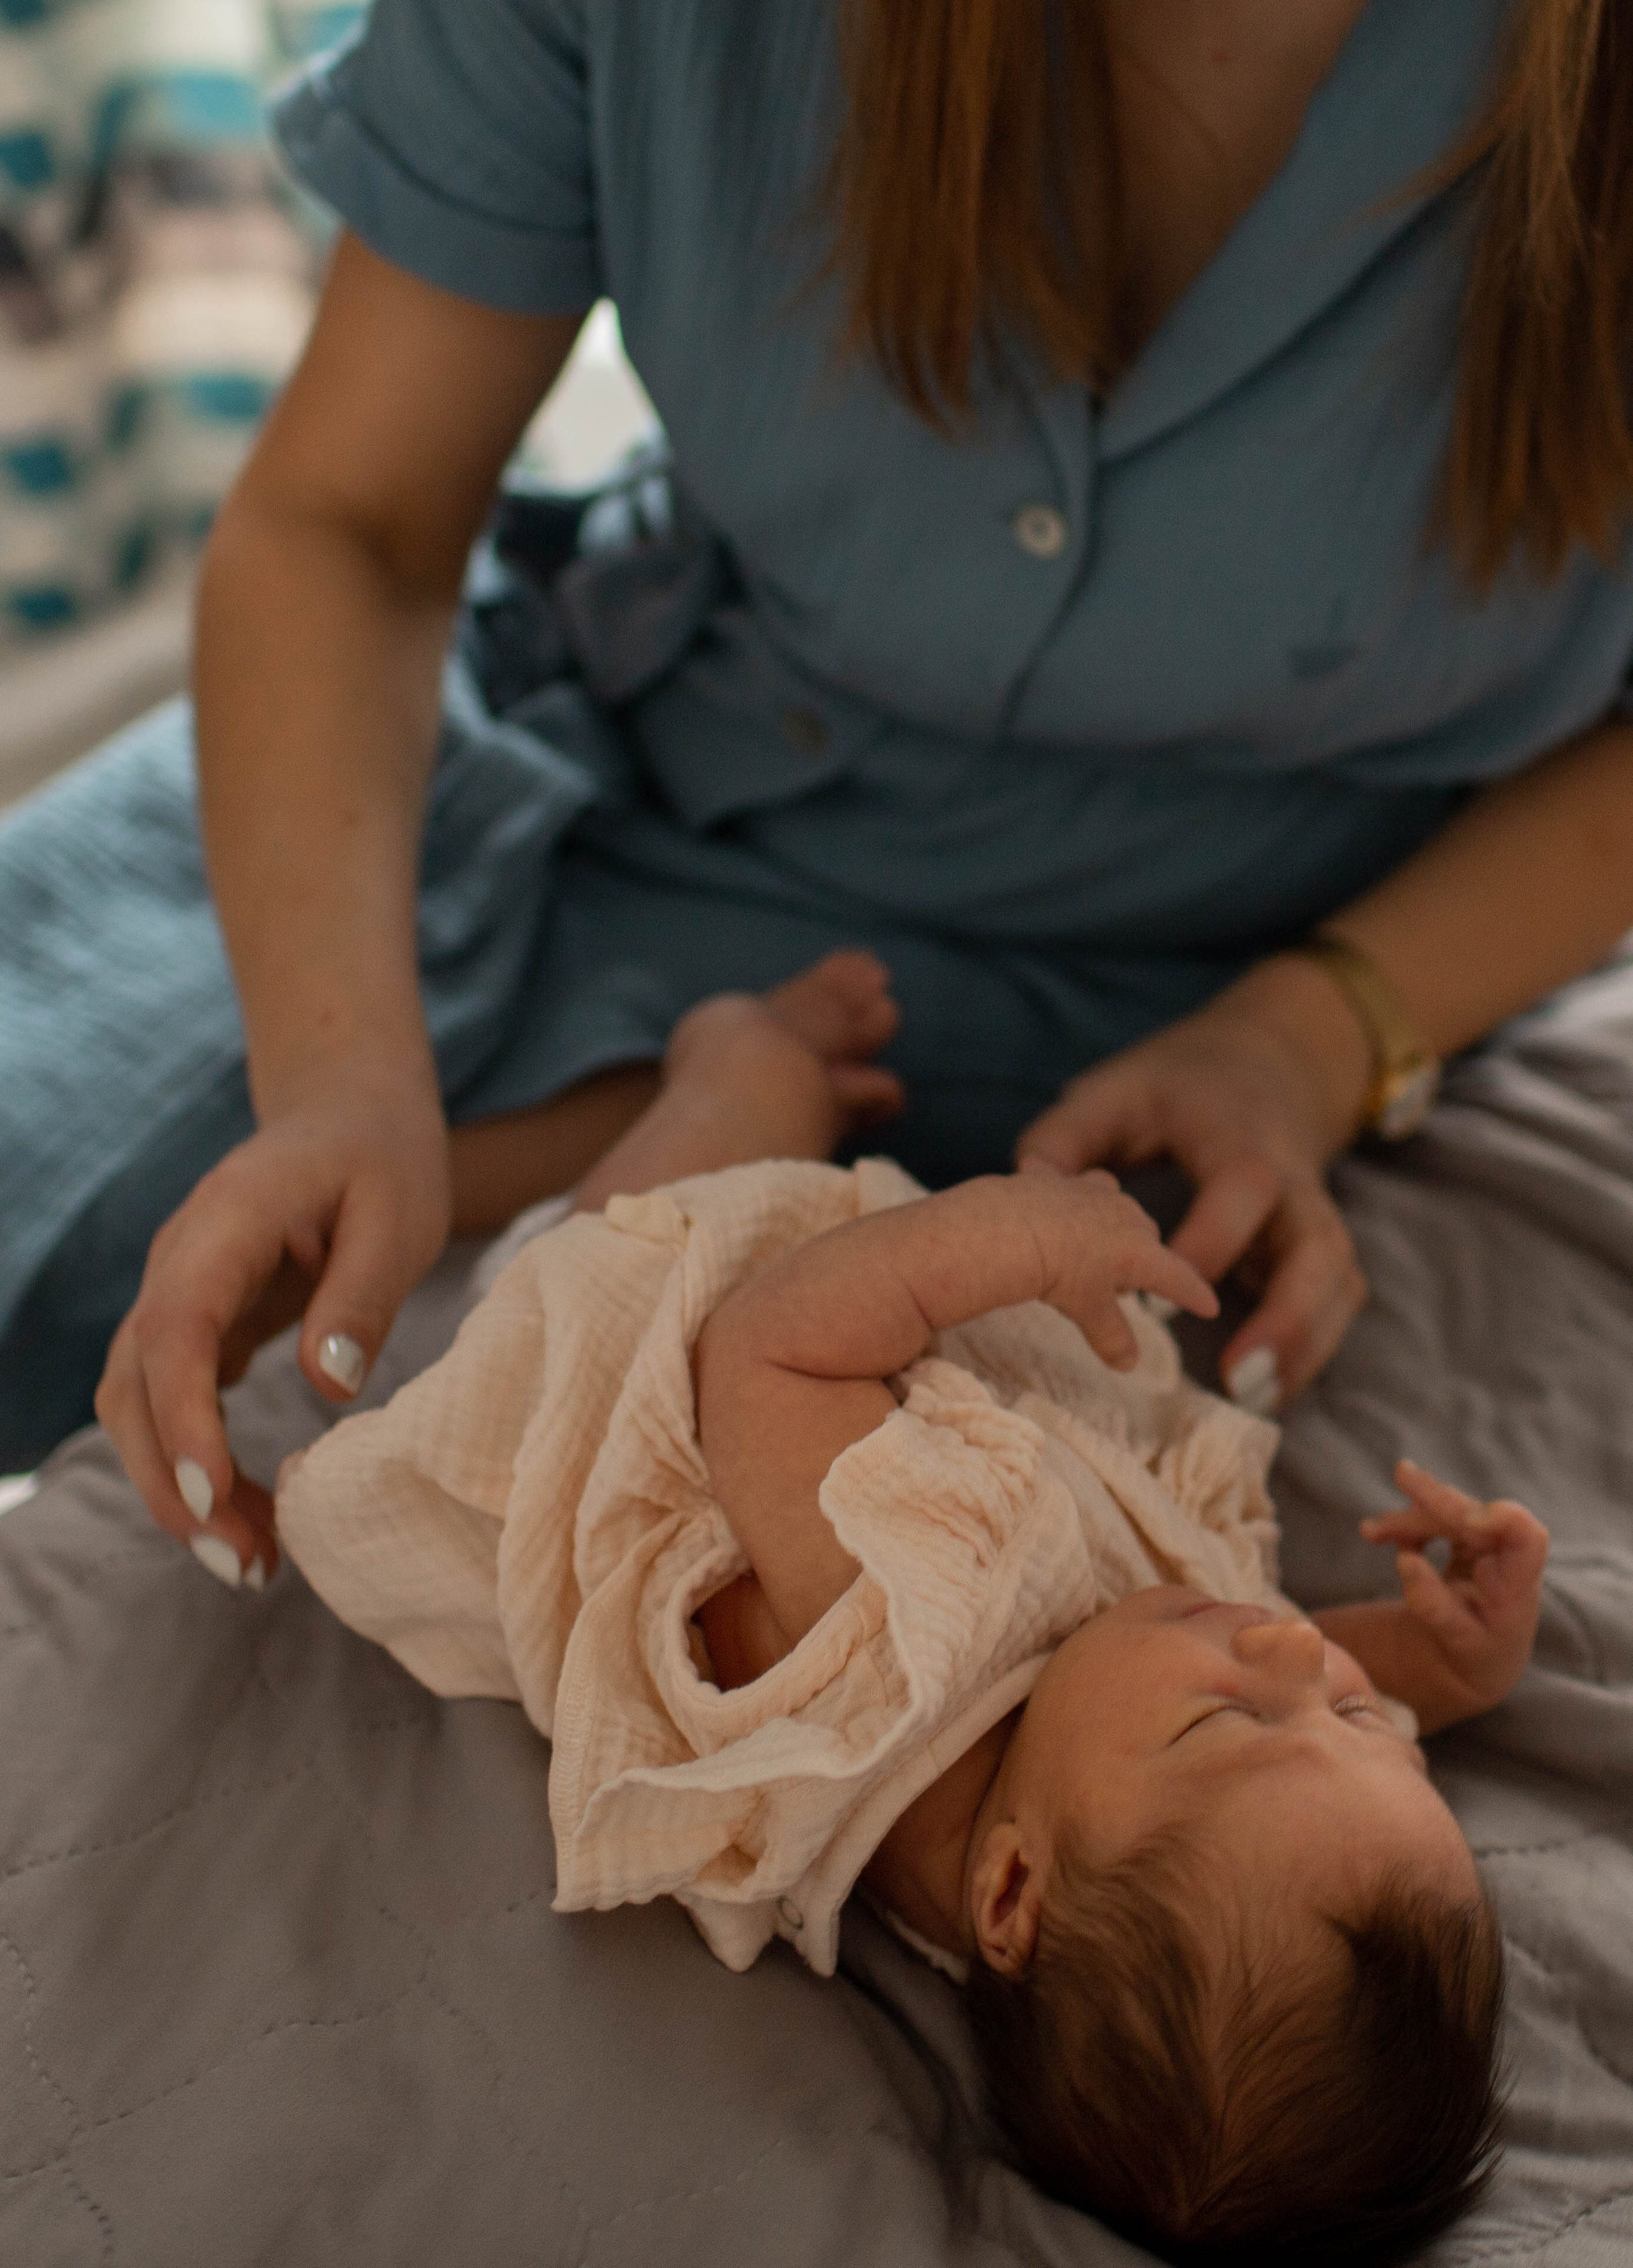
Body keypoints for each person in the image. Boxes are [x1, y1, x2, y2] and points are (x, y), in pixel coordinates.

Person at [3, 0, 1632, 1512]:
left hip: (1230, 963)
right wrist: (339, 1078)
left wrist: (1314, 1034)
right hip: (578, 769)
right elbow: (352, 523)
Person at [272, 952, 1538, 2262]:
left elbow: (764, 1346)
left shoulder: (891, 1654)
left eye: (1225, 1721)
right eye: (1354, 1719)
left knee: (726, 1140)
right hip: (872, 1421)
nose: (1289, 1641)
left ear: (1005, 1895)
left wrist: (999, 1240)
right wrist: (1446, 1664)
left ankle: (738, 1046)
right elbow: (1319, 1700)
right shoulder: (1114, 1799)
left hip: (656, 1376)